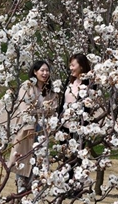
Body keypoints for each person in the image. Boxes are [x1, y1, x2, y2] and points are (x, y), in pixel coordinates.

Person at [8, 60, 58, 194]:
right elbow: (24, 107)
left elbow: (53, 107)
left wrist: (44, 111)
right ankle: (21, 186)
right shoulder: (27, 86)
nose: (45, 73)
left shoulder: (50, 90)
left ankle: (34, 185)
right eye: (42, 70)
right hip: (28, 127)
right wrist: (38, 114)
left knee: (39, 157)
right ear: (35, 72)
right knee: (23, 156)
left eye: (47, 70)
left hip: (43, 128)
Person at [57, 53, 93, 192]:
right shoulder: (70, 81)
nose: (70, 68)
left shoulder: (89, 84)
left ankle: (75, 188)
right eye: (70, 64)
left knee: (76, 157)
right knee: (66, 157)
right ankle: (65, 186)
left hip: (78, 126)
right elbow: (63, 102)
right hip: (64, 125)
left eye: (73, 65)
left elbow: (88, 106)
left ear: (82, 66)